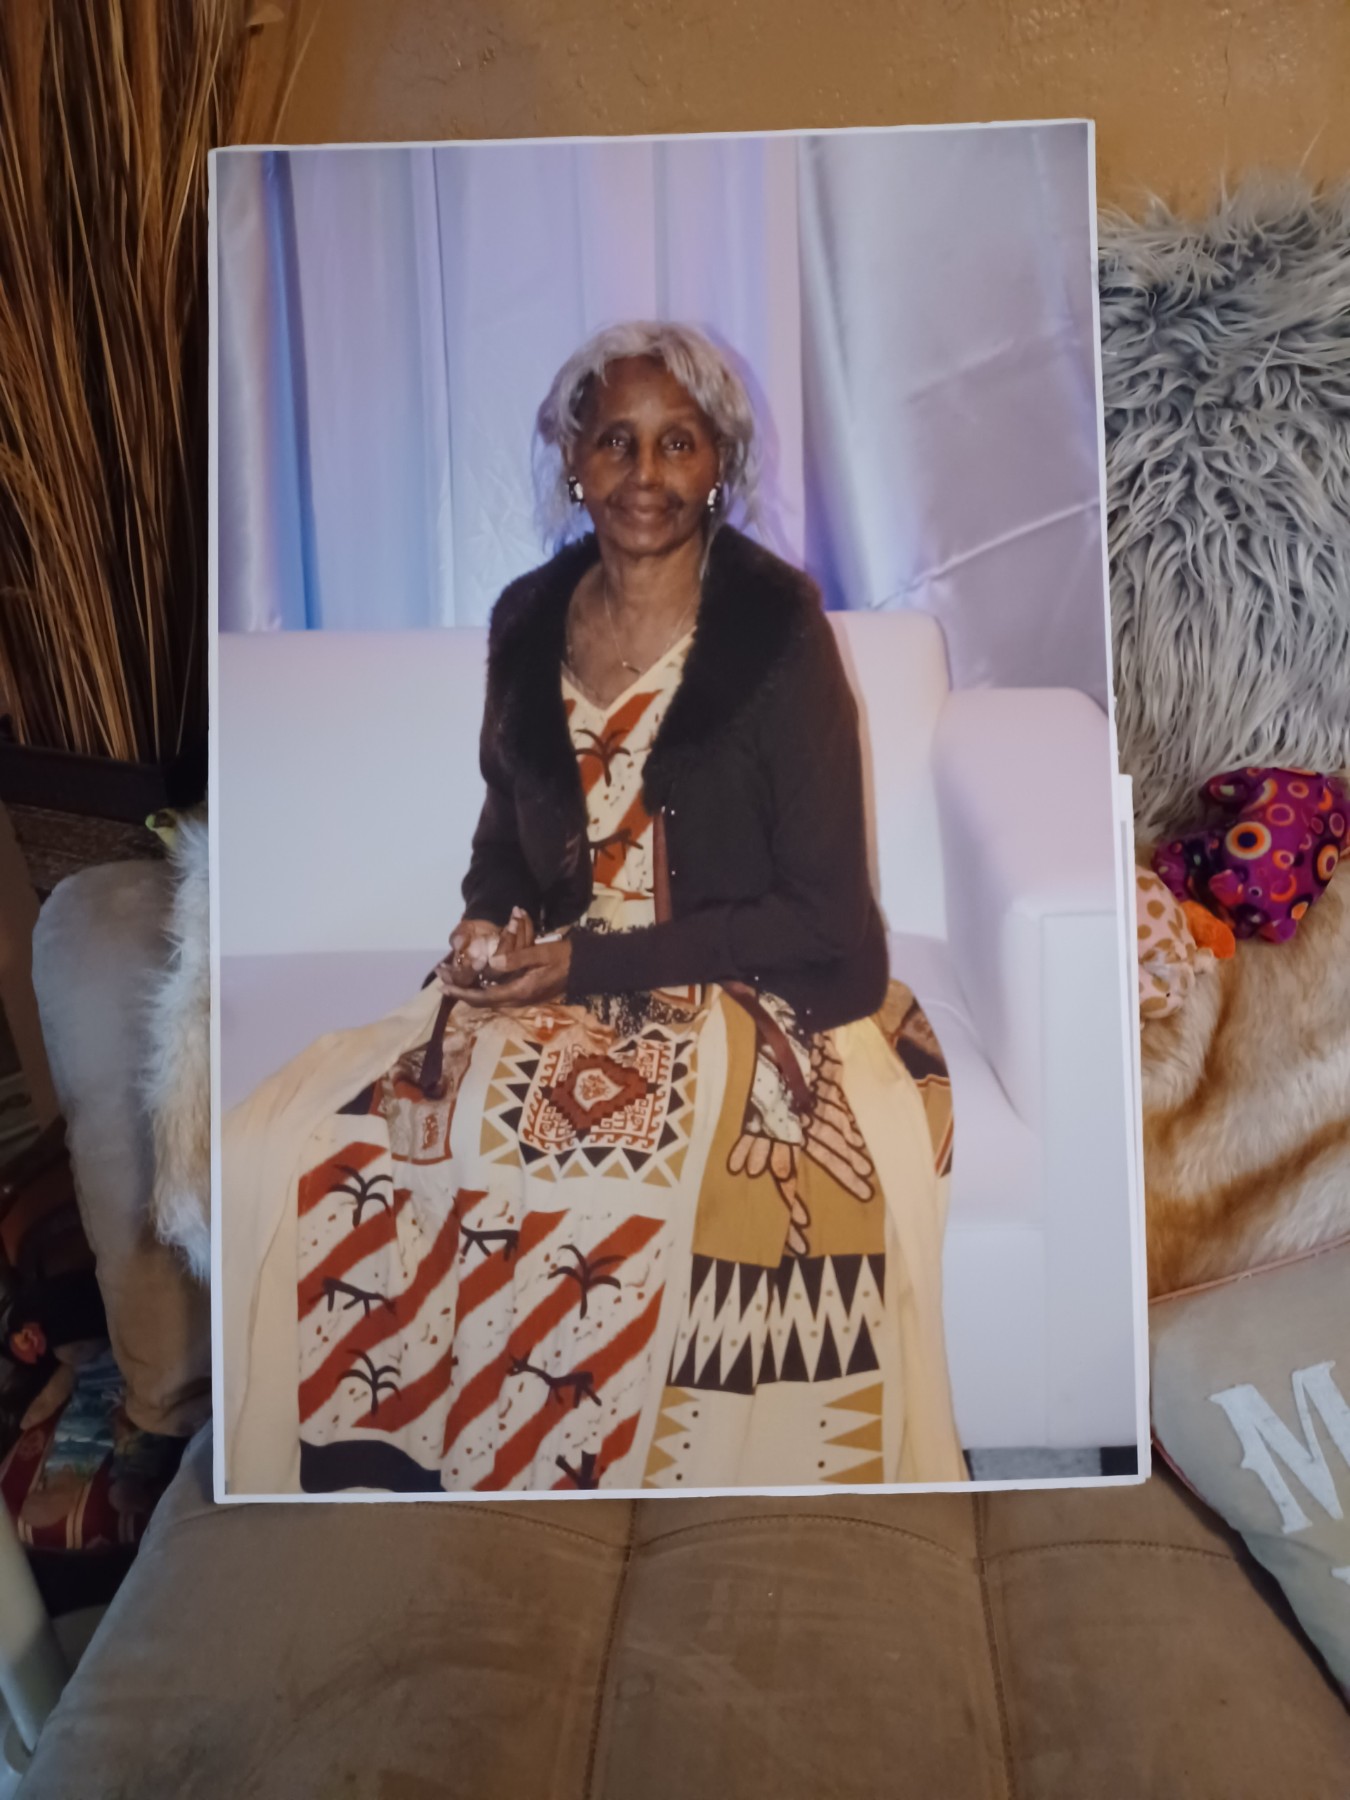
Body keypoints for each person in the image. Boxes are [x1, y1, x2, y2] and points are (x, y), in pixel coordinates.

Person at [225, 322, 966, 1494]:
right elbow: (501, 843)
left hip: (740, 990)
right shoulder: (527, 620)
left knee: (615, 1168)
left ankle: (622, 1482)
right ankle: (428, 1477)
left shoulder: (779, 632)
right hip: (559, 985)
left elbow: (825, 918)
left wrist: (586, 970)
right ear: (572, 459)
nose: (645, 474)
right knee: (309, 1136)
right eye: (616, 441)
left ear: (719, 464)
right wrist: (492, 925)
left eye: (679, 443)